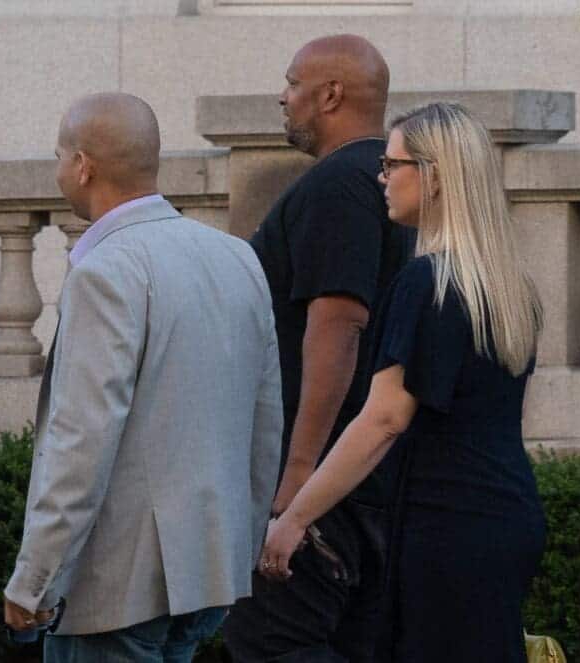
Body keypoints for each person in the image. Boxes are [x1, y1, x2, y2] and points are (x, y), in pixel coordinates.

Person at [258, 102, 546, 663]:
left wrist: (294, 517)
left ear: (433, 176)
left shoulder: (425, 284)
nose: (382, 178)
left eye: (392, 165)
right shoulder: (508, 287)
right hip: (505, 511)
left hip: (445, 523)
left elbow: (384, 419)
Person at [2, 92, 282, 661]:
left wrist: (35, 580)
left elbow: (81, 442)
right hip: (211, 572)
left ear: (83, 165)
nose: (58, 170)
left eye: (58, 156)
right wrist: (242, 548)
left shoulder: (104, 272)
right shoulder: (237, 258)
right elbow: (264, 422)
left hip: (117, 588)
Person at [222, 34, 415, 662]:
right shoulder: (378, 183)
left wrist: (297, 481)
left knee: (271, 642)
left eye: (293, 83)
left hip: (322, 483)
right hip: (358, 477)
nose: (283, 97)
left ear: (330, 95)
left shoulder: (339, 185)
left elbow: (338, 326)